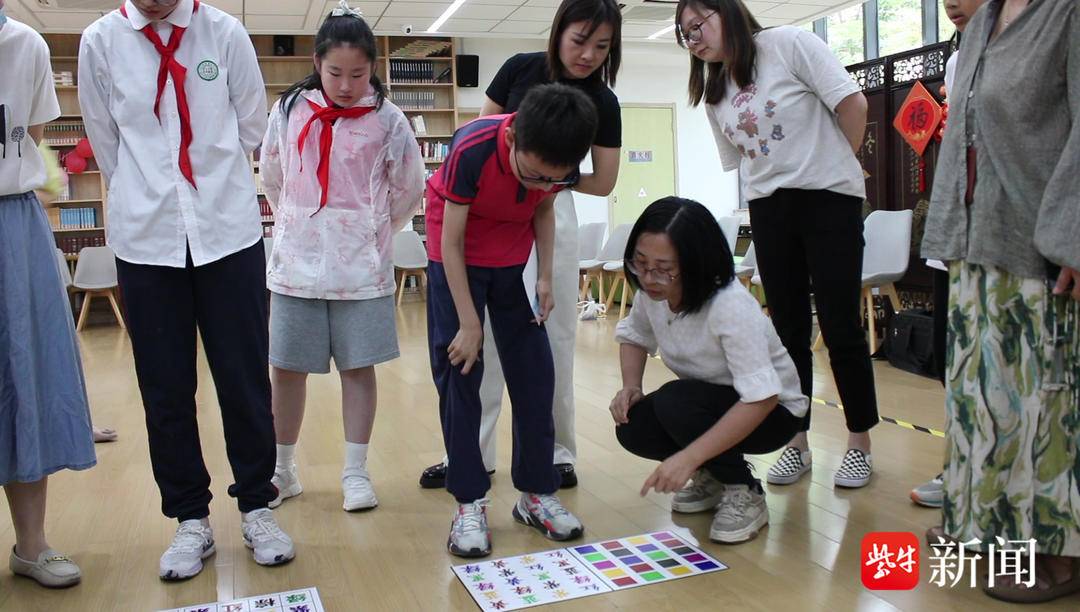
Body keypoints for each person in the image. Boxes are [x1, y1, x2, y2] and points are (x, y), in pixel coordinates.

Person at [79, 0, 294, 580]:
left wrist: (205, 176)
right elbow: (105, 141)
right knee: (165, 389)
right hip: (146, 240)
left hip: (227, 231)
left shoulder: (223, 33)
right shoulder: (101, 42)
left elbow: (252, 125)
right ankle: (189, 519)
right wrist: (152, 191)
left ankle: (256, 504)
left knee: (244, 379)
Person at [418, 0, 623, 491]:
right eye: (579, 41)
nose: (588, 55)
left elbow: (604, 182)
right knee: (475, 336)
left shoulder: (603, 101)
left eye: (602, 47)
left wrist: (548, 177)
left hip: (551, 205)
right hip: (485, 206)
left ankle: (555, 452)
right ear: (558, 33)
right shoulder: (519, 68)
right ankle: (471, 452)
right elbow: (477, 137)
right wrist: (519, 170)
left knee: (551, 338)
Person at [676, 0, 879, 489]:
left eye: (697, 26)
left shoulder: (788, 45)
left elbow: (854, 103)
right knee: (786, 330)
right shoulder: (714, 91)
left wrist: (836, 167)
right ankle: (797, 441)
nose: (693, 39)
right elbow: (745, 163)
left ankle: (859, 442)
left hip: (829, 197)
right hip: (769, 207)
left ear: (727, 13)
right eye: (684, 34)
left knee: (839, 323)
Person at [921, 0, 1080, 602]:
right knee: (980, 396)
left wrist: (1075, 241)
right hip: (976, 239)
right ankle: (984, 525)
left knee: (1047, 404)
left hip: (1043, 245)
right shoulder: (986, 20)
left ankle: (1060, 554)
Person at [261, 3, 424, 513]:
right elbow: (272, 173)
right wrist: (301, 221)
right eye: (335, 72)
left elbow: (409, 188)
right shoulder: (289, 110)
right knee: (287, 369)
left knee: (358, 369)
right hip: (296, 264)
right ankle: (283, 471)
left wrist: (370, 228)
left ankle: (356, 472)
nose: (347, 84)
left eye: (358, 73)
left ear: (373, 67)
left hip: (361, 268)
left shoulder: (388, 120)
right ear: (316, 62)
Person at [425, 83, 597, 557]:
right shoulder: (473, 147)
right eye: (535, 174)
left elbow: (543, 211)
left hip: (508, 258)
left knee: (536, 374)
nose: (542, 186)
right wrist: (469, 323)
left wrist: (543, 276)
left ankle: (536, 494)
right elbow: (452, 243)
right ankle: (469, 500)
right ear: (514, 136)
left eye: (553, 179)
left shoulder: (555, 162)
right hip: (455, 256)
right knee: (463, 372)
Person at [612, 197, 806, 543]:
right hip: (708, 403)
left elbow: (761, 398)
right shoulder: (652, 292)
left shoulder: (729, 306)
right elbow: (635, 335)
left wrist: (689, 457)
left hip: (772, 413)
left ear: (696, 264)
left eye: (664, 267)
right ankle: (714, 477)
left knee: (676, 401)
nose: (649, 277)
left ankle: (744, 490)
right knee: (635, 426)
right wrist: (631, 385)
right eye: (640, 263)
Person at [0, 3, 96, 588]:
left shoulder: (26, 45)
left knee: (24, 375)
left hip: (12, 221)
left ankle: (31, 544)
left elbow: (30, 141)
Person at [908, 0, 987, 510]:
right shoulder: (959, 61)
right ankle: (961, 468)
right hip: (958, 233)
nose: (952, 4)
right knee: (955, 362)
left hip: (1013, 239)